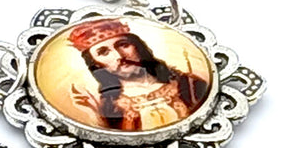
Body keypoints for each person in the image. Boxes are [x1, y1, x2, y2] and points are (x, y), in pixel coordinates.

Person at [65, 19, 209, 132]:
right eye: (104, 52)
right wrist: (93, 111)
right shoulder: (110, 107)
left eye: (123, 45)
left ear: (138, 47)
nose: (119, 56)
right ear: (96, 65)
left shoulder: (189, 84)